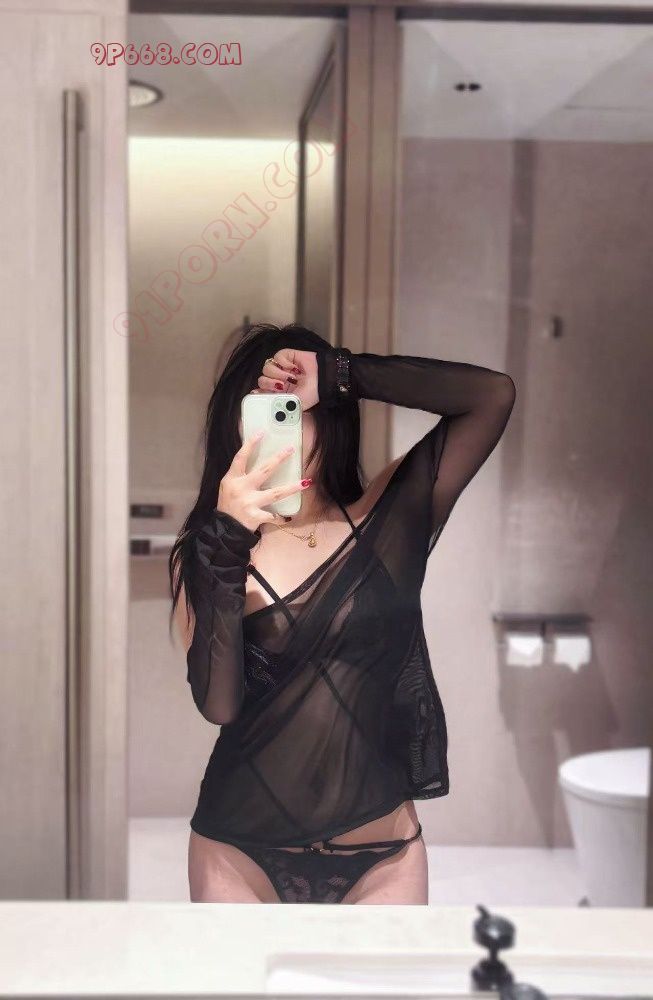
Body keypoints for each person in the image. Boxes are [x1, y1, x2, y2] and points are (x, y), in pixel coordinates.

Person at [168, 321, 516, 904]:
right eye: (260, 411)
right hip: (238, 854)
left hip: (382, 857)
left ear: (329, 416)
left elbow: (491, 396)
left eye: (291, 409)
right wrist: (227, 539)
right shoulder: (208, 552)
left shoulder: (390, 520)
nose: (279, 431)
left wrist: (336, 374)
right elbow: (218, 704)